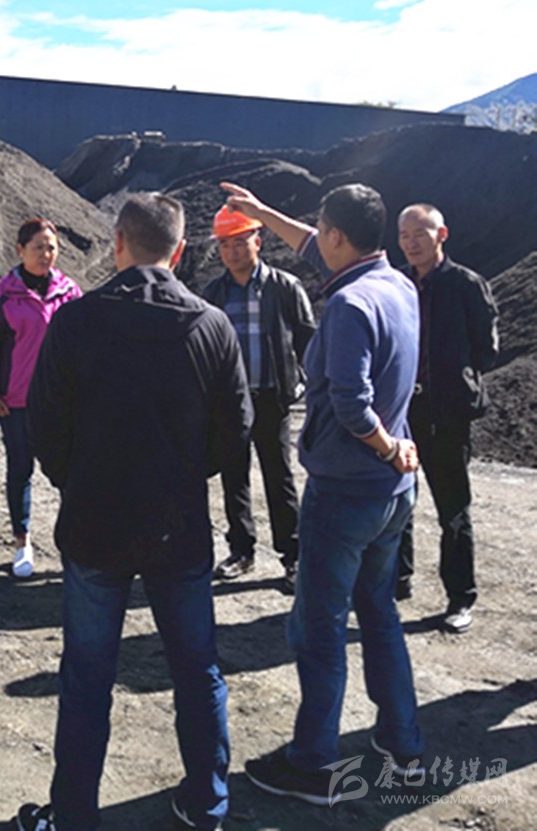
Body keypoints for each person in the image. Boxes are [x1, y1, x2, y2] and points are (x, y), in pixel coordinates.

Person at [15, 194, 252, 831]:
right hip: (179, 529)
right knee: (197, 670)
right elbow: (235, 431)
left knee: (87, 676)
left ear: (118, 242)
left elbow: (44, 425)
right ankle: (207, 805)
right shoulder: (211, 326)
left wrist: (78, 481)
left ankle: (74, 817)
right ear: (180, 251)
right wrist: (182, 477)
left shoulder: (76, 321)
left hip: (95, 527)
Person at [220, 181, 425, 806]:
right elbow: (313, 244)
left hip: (347, 491)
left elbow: (353, 404)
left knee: (318, 628)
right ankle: (403, 745)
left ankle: (313, 764)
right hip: (393, 493)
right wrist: (260, 213)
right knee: (380, 613)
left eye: (322, 229)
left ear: (340, 235)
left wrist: (386, 446)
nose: (315, 238)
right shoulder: (397, 285)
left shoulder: (347, 306)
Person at [395, 204, 499, 633]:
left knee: (453, 510)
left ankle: (460, 597)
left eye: (420, 233)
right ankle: (396, 580)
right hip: (403, 413)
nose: (411, 242)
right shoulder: (398, 284)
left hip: (447, 415)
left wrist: (454, 377)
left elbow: (486, 349)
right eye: (404, 235)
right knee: (397, 501)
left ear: (442, 234)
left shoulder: (466, 285)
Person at [202, 205, 316, 591]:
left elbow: (308, 341)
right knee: (233, 477)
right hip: (230, 402)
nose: (232, 251)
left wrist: (309, 387)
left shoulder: (284, 287)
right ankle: (241, 550)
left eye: (239, 242)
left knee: (278, 477)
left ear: (258, 241)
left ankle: (293, 556)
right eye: (224, 244)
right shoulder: (214, 294)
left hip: (271, 397)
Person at [0, 218, 82, 578]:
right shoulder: (4, 294)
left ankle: (73, 544)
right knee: (20, 471)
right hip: (16, 403)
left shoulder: (70, 292)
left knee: (69, 475)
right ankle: (22, 542)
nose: (45, 254)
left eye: (51, 247)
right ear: (20, 250)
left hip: (62, 403)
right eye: (38, 247)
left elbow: (86, 345)